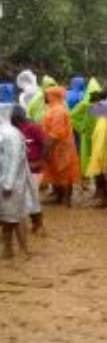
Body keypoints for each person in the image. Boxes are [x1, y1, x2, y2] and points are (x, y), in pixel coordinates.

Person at [0, 103, 33, 259]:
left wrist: (8, 183)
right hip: (9, 182)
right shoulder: (8, 132)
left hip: (9, 184)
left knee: (13, 218)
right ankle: (10, 250)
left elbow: (13, 160)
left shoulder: (10, 134)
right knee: (10, 218)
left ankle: (21, 250)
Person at [41, 86, 79, 207]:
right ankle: (59, 196)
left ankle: (66, 200)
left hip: (61, 146)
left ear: (53, 96)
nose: (44, 97)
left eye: (46, 95)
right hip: (56, 146)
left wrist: (47, 148)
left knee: (65, 172)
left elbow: (56, 133)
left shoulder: (58, 110)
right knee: (56, 171)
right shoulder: (54, 108)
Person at [12, 106, 45, 235]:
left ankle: (38, 224)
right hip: (18, 168)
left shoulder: (32, 127)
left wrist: (41, 160)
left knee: (32, 196)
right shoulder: (12, 130)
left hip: (34, 168)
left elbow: (45, 143)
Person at [85, 91, 107, 207]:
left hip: (103, 151)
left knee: (105, 177)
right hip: (101, 150)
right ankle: (105, 200)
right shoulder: (103, 119)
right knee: (102, 176)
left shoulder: (105, 120)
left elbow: (104, 139)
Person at [69, 78, 103, 183]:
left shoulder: (86, 104)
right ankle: (91, 178)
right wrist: (81, 127)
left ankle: (94, 180)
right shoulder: (86, 104)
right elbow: (72, 116)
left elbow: (72, 116)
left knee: (93, 157)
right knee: (93, 156)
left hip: (93, 135)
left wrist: (81, 127)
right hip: (93, 135)